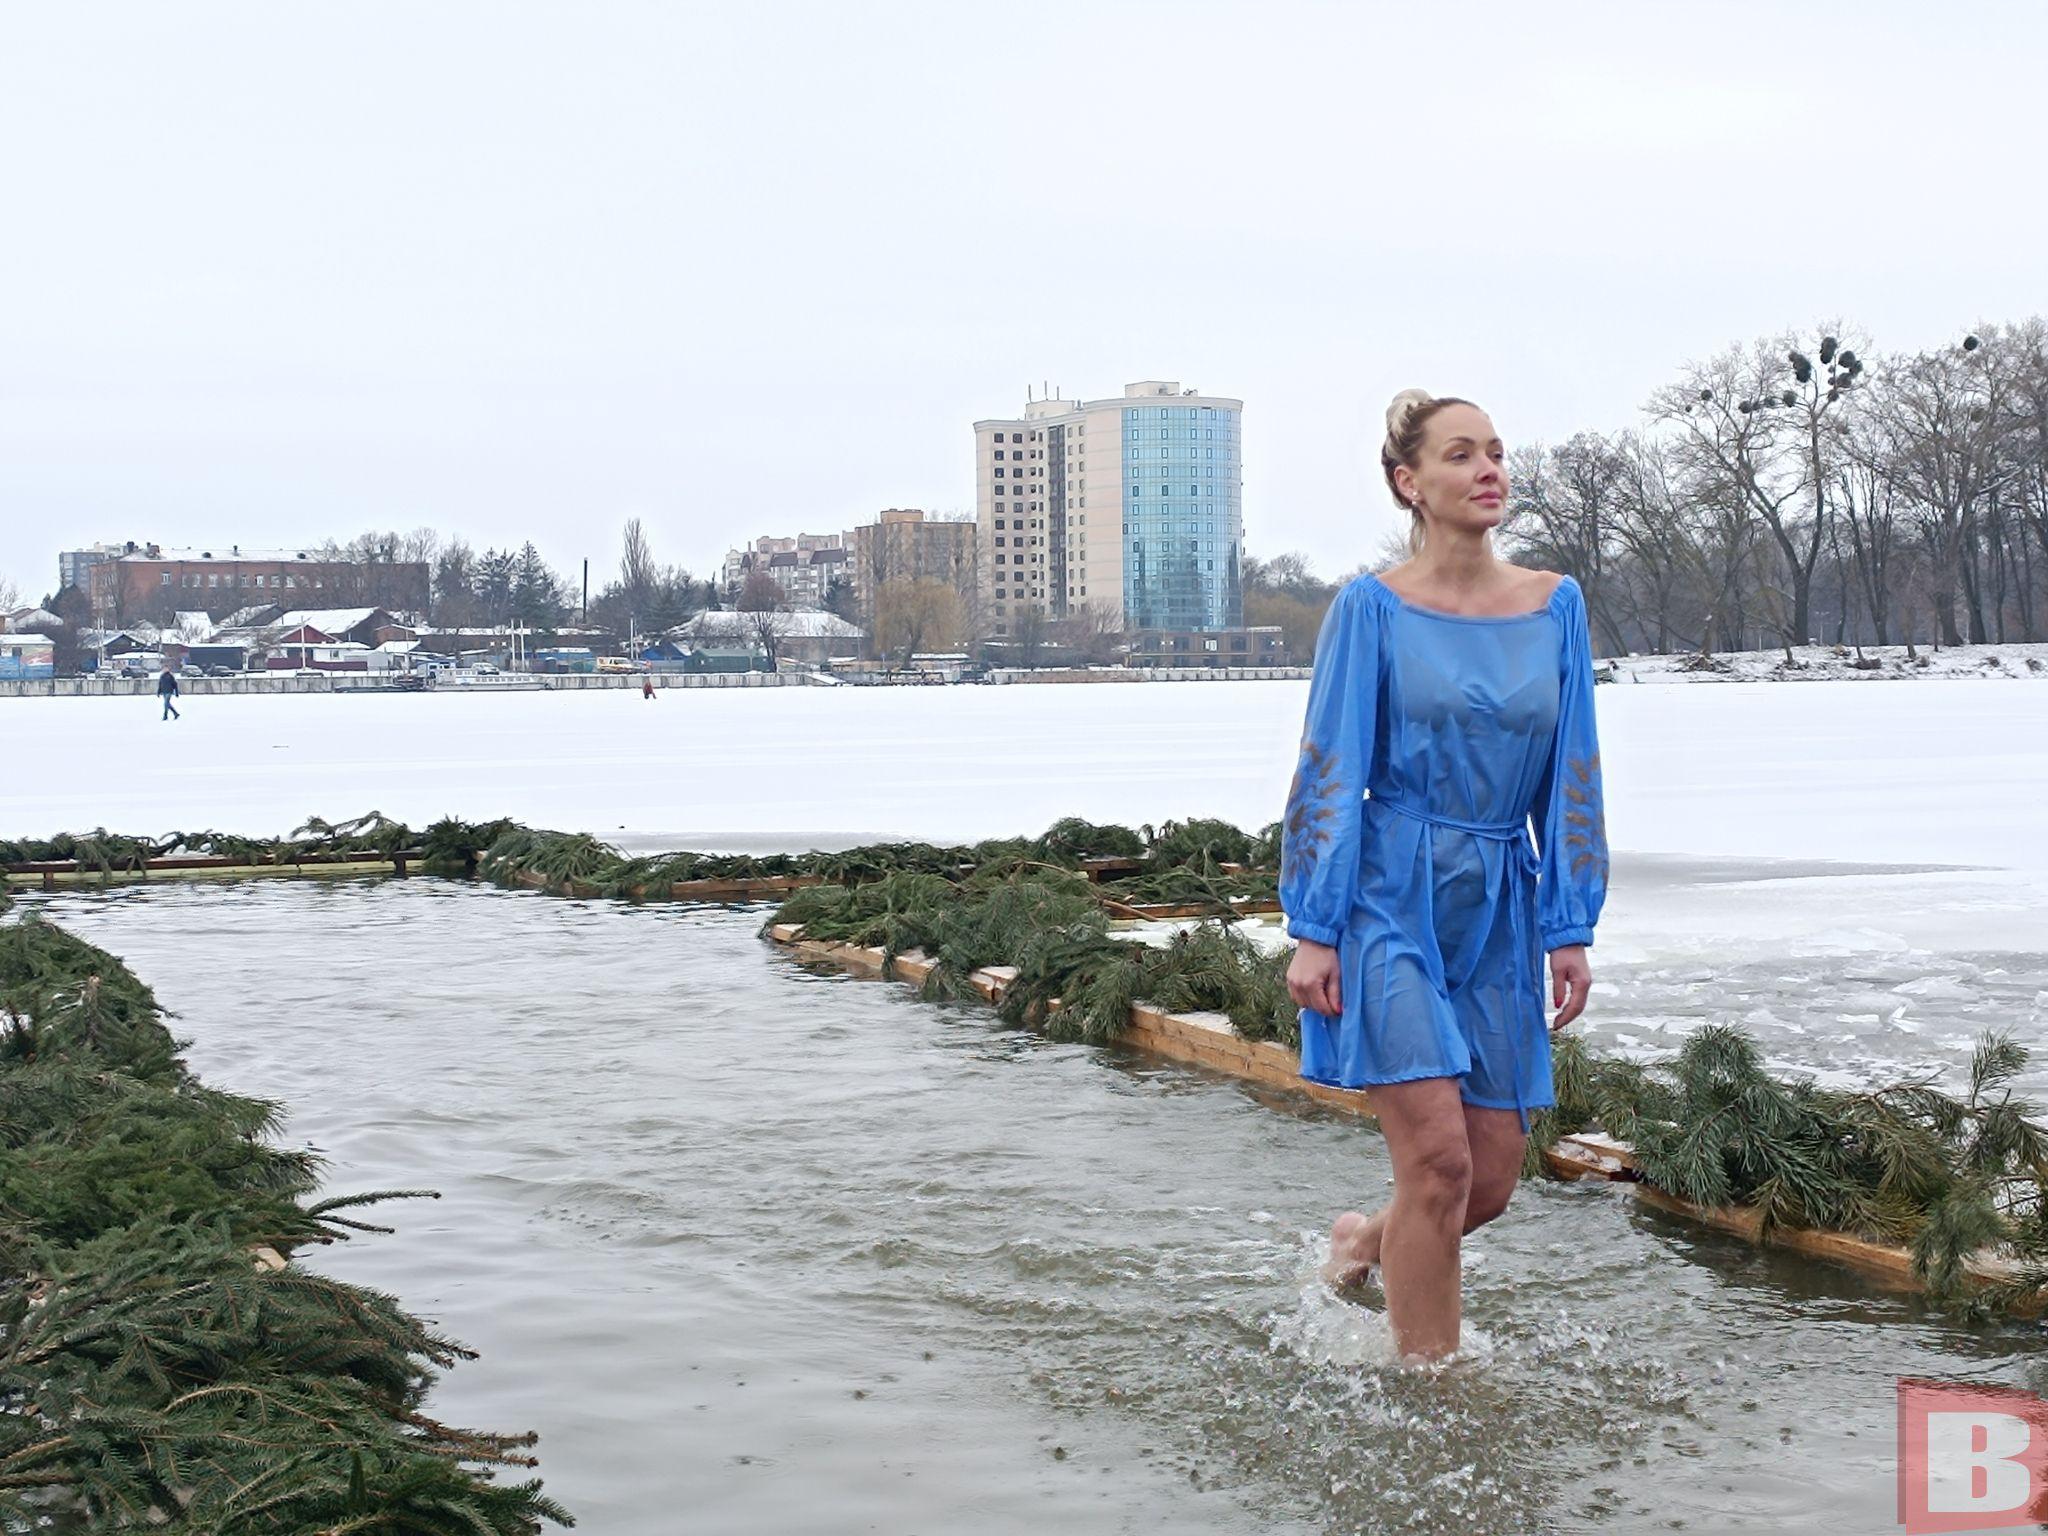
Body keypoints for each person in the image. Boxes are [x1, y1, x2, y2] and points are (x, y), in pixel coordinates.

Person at [1278, 389, 1610, 1364]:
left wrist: (1567, 922)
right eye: (1459, 454)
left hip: (1499, 903)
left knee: (1489, 1179)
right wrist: (1314, 925)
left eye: (1494, 451)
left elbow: (1574, 771)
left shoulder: (1553, 606)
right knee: (1436, 1164)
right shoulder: (1370, 609)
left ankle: (1361, 1245)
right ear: (1408, 482)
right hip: (1388, 895)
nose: (1487, 469)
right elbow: (1329, 767)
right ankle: (1432, 1393)